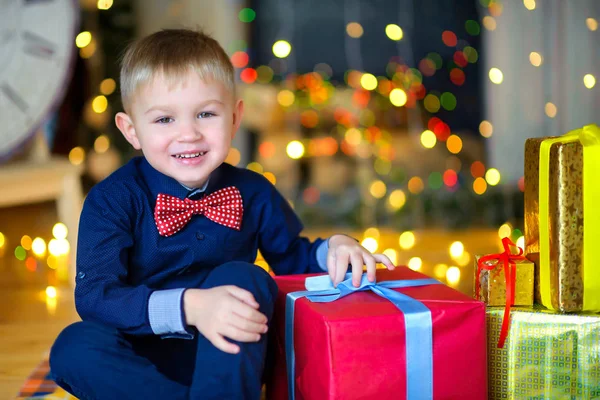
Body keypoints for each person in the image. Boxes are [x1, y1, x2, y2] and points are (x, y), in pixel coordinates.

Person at [49, 28, 394, 400]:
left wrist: (336, 248)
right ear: (131, 131)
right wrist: (190, 306)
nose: (189, 134)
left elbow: (294, 259)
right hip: (139, 358)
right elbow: (96, 296)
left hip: (231, 354)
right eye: (165, 120)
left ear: (234, 117)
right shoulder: (112, 200)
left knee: (245, 278)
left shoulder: (253, 191)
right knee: (72, 347)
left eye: (206, 114)